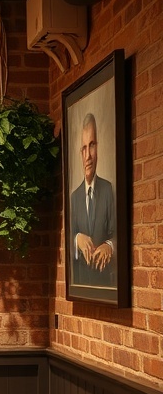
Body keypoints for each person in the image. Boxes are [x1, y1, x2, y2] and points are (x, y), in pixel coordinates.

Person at [70, 112, 116, 288]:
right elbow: (68, 239)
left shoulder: (108, 190)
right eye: (84, 148)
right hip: (81, 283)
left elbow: (117, 233)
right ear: (81, 153)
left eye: (92, 145)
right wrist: (77, 239)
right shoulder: (74, 198)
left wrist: (109, 246)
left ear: (98, 148)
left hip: (105, 284)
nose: (88, 155)